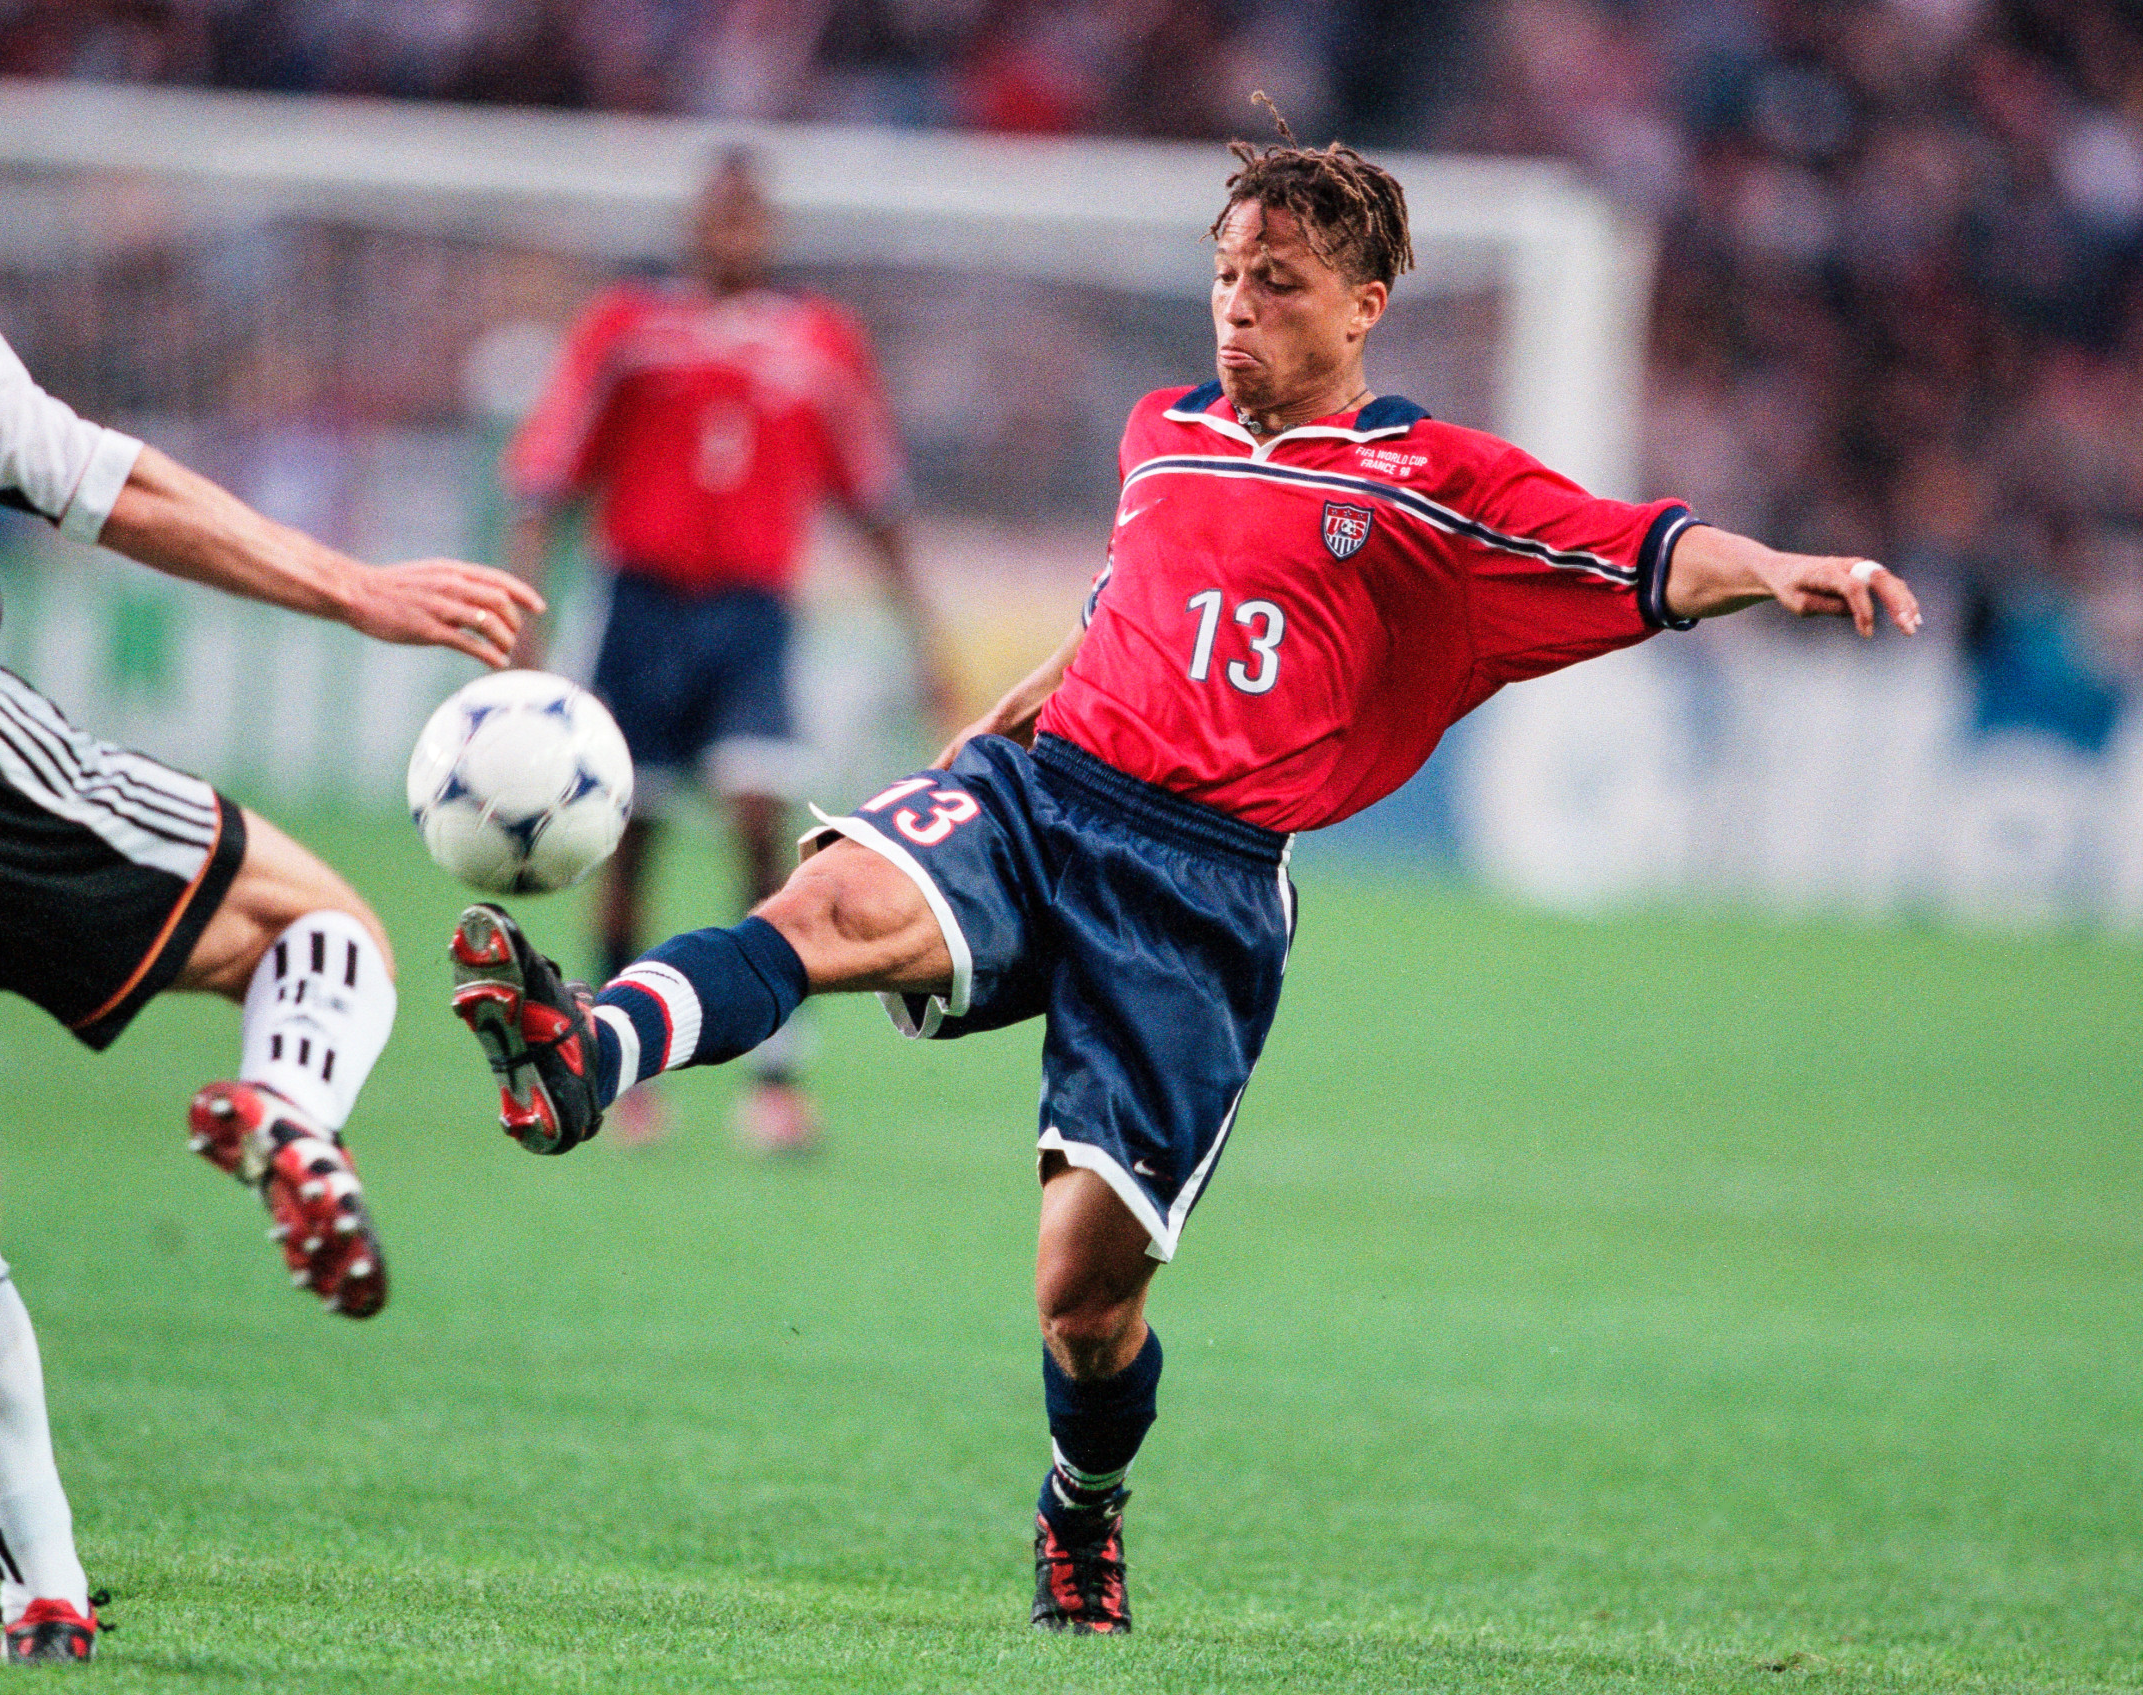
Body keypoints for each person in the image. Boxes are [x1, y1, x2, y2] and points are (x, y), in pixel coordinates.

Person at [448, 125, 1923, 1634]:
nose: (1236, 307)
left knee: (1084, 1298)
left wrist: (1782, 571)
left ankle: (1081, 1508)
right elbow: (1128, 608)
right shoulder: (1163, 426)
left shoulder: (1429, 480)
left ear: (1361, 309)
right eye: (1225, 276)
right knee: (825, 905)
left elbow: (1640, 550)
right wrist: (1008, 712)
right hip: (1048, 796)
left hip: (1201, 896)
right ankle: (590, 1049)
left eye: (1276, 284)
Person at [0, 267, 539, 1662]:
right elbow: (111, 489)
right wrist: (356, 585)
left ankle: (45, 1591)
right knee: (318, 930)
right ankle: (289, 1111)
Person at [502, 148, 949, 1155]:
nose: (735, 232)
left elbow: (875, 497)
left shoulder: (819, 341)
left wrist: (925, 636)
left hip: (753, 615)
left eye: (751, 217)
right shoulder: (625, 325)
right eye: (720, 214)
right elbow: (549, 471)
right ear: (694, 222)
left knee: (761, 825)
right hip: (640, 607)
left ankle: (778, 1077)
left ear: (771, 230)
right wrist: (522, 609)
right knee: (631, 831)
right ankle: (614, 1062)